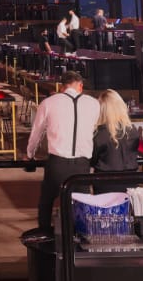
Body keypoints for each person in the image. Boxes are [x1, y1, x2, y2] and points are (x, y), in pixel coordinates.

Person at [24, 70, 100, 230]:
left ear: (61, 87)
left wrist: (30, 154)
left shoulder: (49, 103)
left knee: (46, 201)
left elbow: (36, 132)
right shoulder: (93, 103)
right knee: (82, 204)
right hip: (82, 164)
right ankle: (79, 238)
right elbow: (95, 130)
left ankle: (44, 233)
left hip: (57, 163)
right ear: (80, 86)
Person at [91, 91, 140, 183]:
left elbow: (93, 159)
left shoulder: (99, 134)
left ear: (102, 110)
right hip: (131, 180)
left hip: (105, 182)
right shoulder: (133, 131)